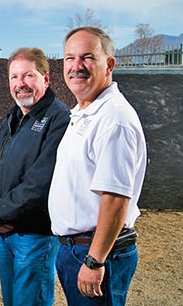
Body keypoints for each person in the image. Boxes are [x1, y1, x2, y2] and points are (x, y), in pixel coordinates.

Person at [48, 26, 147, 306]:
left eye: (87, 57)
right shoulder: (84, 111)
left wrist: (94, 260)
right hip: (75, 249)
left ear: (109, 65)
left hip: (96, 253)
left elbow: (115, 199)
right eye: (69, 58)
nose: (76, 66)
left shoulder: (114, 119)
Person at [0, 47, 70, 306]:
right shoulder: (13, 118)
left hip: (34, 236)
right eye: (14, 77)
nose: (21, 84)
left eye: (28, 76)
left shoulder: (59, 118)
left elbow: (41, 183)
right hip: (7, 235)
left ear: (46, 79)